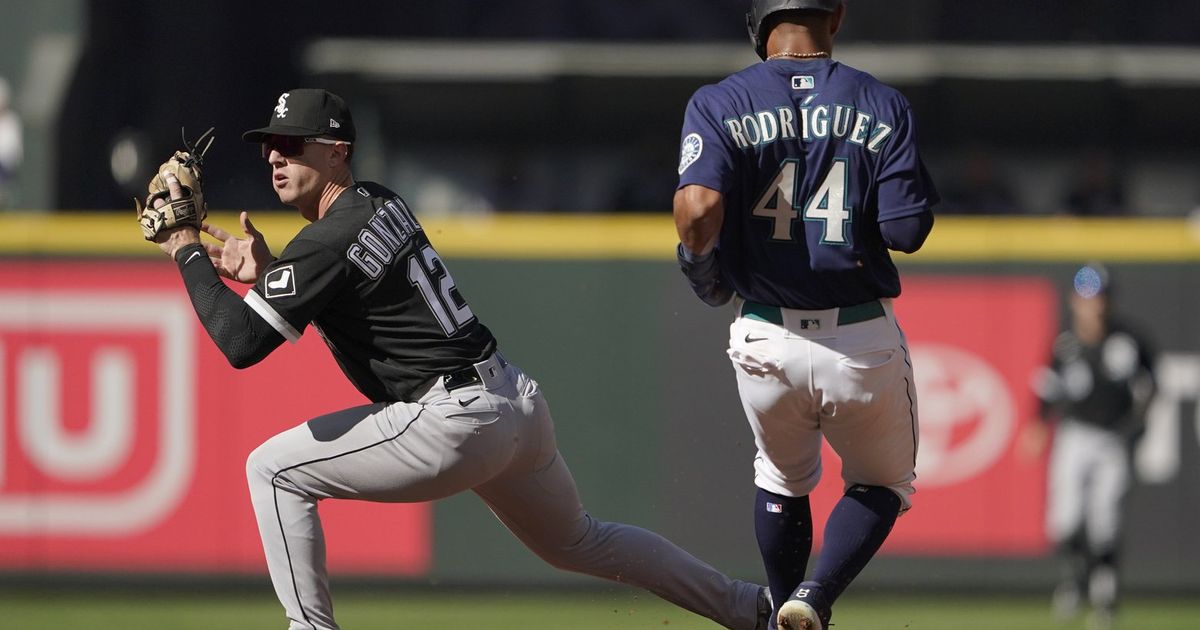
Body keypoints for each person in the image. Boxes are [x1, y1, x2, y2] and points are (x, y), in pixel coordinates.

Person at [147, 88, 770, 630]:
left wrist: (185, 247)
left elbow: (239, 344)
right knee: (581, 540)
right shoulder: (378, 200)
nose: (276, 155)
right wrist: (270, 274)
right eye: (268, 146)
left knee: (272, 470)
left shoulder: (326, 240)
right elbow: (353, 293)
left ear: (337, 149)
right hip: (512, 403)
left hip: (451, 418)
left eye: (293, 142)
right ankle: (751, 610)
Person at [672, 2, 938, 628]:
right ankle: (815, 597)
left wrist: (700, 262)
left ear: (758, 22)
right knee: (884, 484)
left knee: (783, 481)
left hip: (765, 334)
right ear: (836, 16)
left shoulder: (720, 101)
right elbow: (906, 230)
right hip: (859, 336)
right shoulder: (881, 103)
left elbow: (698, 206)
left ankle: (784, 610)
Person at [1024, 263, 1155, 630]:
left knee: (1105, 522)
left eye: (1099, 298)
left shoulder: (1129, 341)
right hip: (1075, 436)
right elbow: (1046, 389)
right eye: (1087, 299)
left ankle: (1104, 591)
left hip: (1113, 439)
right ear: (1074, 302)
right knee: (1063, 522)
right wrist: (1037, 424)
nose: (1093, 306)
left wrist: (1140, 425)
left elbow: (1152, 386)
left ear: (1109, 301)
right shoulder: (1065, 344)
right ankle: (1076, 575)